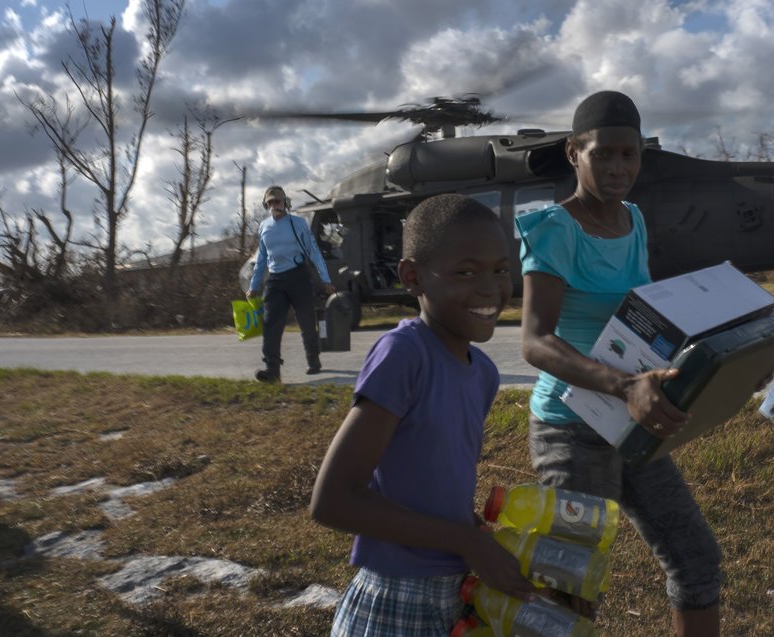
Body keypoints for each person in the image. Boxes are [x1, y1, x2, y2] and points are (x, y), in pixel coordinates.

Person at [517, 91, 722, 637]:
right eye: (603, 154)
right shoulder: (553, 230)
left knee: (697, 560)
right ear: (573, 153)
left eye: (628, 155)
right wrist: (624, 384)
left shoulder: (633, 220)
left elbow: (644, 318)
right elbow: (535, 342)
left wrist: (730, 357)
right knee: (568, 590)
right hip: (570, 430)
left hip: (629, 419)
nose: (618, 168)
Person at [310, 194, 535, 636]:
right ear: (414, 277)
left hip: (455, 592)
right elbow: (333, 500)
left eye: (501, 269)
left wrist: (473, 530)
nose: (491, 288)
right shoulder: (405, 354)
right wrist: (466, 541)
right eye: (466, 272)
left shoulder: (484, 373)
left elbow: (427, 478)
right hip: (397, 599)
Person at [247, 185, 335, 382]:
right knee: (271, 324)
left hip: (298, 277)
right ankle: (272, 369)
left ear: (285, 203)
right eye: (269, 203)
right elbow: (261, 258)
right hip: (275, 280)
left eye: (277, 202)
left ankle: (313, 359)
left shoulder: (298, 223)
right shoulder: (264, 227)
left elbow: (313, 251)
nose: (273, 206)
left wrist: (326, 279)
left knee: (306, 321)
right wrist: (253, 285)